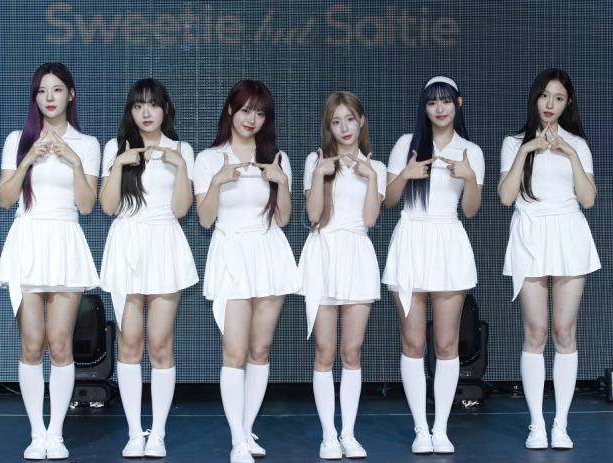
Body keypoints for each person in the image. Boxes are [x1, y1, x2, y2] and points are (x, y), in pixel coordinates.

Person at [0, 62, 101, 460]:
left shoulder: (87, 144)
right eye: (42, 91)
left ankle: (56, 434)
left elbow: (87, 206)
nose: (50, 97)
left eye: (57, 90)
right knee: (32, 344)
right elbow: (5, 199)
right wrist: (28, 159)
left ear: (70, 94)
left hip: (65, 240)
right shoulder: (17, 139)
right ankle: (36, 433)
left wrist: (74, 160)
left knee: (59, 344)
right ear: (35, 97)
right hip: (28, 240)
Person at [194, 79, 300, 463]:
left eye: (259, 112)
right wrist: (217, 183)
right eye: (245, 110)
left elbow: (284, 218)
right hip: (230, 254)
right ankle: (237, 440)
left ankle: (247, 430)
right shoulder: (209, 159)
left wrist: (282, 182)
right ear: (230, 110)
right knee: (235, 352)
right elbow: (205, 220)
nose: (251, 119)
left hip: (269, 253)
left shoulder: (275, 158)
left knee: (260, 349)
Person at [498, 69, 600, 450]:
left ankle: (561, 424)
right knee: (536, 332)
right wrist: (527, 150)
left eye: (558, 98)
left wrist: (569, 154)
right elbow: (506, 197)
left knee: (564, 332)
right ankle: (537, 425)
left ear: (567, 102)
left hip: (568, 233)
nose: (550, 104)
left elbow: (588, 199)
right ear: (535, 98)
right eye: (544, 96)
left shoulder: (578, 144)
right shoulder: (513, 143)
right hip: (529, 234)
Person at [382, 76, 484, 455]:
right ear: (423, 107)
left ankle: (441, 428)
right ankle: (420, 429)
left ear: (459, 103)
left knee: (446, 344)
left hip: (448, 242)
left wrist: (469, 178)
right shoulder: (406, 145)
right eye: (431, 102)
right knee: (413, 342)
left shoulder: (470, 151)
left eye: (446, 101)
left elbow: (471, 210)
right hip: (411, 238)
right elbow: (388, 201)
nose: (439, 109)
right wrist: (405, 175)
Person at [99, 78, 198, 458]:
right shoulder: (116, 147)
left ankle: (157, 433)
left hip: (164, 244)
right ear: (131, 110)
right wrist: (118, 165)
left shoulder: (181, 149)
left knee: (159, 344)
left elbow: (181, 210)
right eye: (138, 105)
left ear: (165, 109)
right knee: (129, 343)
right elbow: (108, 207)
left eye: (153, 104)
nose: (146, 112)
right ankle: (133, 433)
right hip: (126, 242)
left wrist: (180, 166)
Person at [298, 92, 386, 460]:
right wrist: (320, 175)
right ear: (328, 126)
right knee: (325, 351)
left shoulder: (376, 167)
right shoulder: (315, 160)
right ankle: (329, 435)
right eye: (336, 121)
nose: (344, 127)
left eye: (350, 119)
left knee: (351, 352)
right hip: (323, 255)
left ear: (361, 120)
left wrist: (370, 177)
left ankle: (349, 434)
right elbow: (313, 216)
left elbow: (370, 220)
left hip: (358, 256)